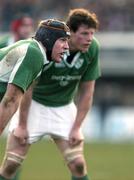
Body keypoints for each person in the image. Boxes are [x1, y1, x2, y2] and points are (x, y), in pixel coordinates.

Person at [1, 8, 100, 180]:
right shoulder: (35, 54)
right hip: (34, 105)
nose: (66, 46)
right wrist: (22, 124)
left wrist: (77, 127)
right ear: (49, 40)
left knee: (77, 164)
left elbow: (87, 91)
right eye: (63, 40)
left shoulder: (37, 52)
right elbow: (11, 100)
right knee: (11, 163)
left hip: (64, 107)